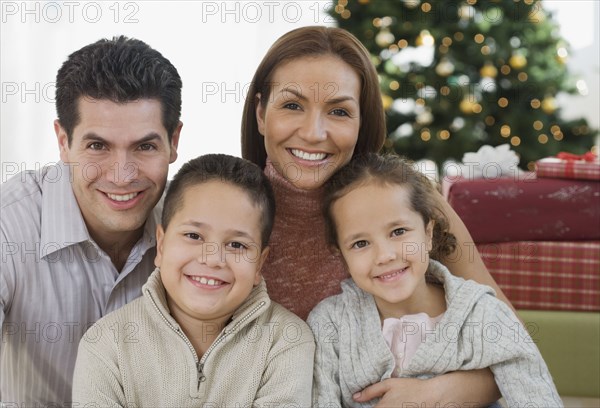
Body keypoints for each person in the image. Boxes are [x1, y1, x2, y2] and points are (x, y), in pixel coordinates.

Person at [241, 26, 510, 405]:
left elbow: (510, 340)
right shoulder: (228, 207)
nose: (314, 133)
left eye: (338, 111)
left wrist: (434, 395)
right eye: (292, 105)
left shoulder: (409, 200)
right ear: (260, 113)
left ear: (361, 123)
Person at [0, 36, 182, 405]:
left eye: (145, 146)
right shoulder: (8, 225)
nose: (121, 175)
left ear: (174, 141)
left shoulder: (191, 225)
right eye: (97, 146)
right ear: (63, 142)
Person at [307, 152, 562, 407]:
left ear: (428, 233)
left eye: (398, 231)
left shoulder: (481, 312)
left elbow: (535, 395)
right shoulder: (331, 323)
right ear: (340, 254)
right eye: (360, 243)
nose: (384, 256)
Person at [71, 154, 315, 406]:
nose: (212, 259)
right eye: (194, 235)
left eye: (236, 244)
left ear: (259, 264)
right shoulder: (105, 344)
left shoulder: (287, 340)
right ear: (162, 245)